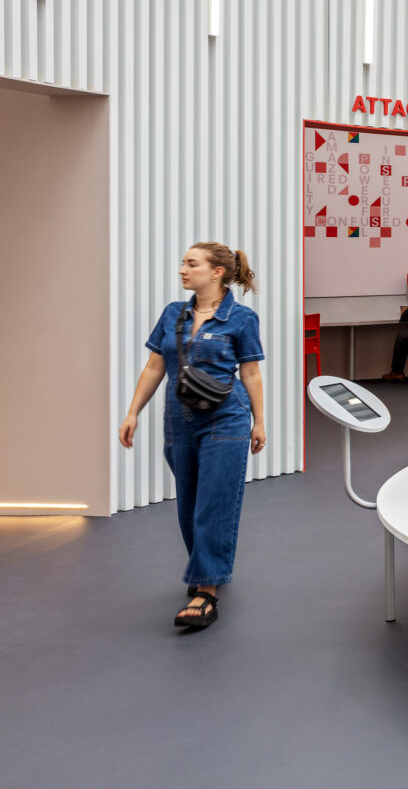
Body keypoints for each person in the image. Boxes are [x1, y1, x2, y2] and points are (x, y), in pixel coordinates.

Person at [118, 243, 266, 630]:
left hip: (226, 417)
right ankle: (206, 569)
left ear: (216, 272)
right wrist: (133, 411)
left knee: (214, 503)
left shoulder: (242, 318)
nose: (183, 269)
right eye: (184, 262)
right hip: (179, 419)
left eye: (192, 263)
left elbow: (250, 373)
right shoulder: (173, 314)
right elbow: (154, 366)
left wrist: (260, 421)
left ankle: (206, 592)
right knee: (188, 504)